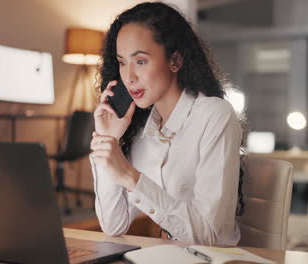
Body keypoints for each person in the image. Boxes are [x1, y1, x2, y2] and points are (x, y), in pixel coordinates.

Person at [90, 2, 246, 246]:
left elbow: (210, 236)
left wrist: (130, 176)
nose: (129, 77)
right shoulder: (140, 129)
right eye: (122, 62)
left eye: (140, 61)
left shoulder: (215, 115)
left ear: (175, 60)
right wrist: (107, 141)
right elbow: (113, 225)